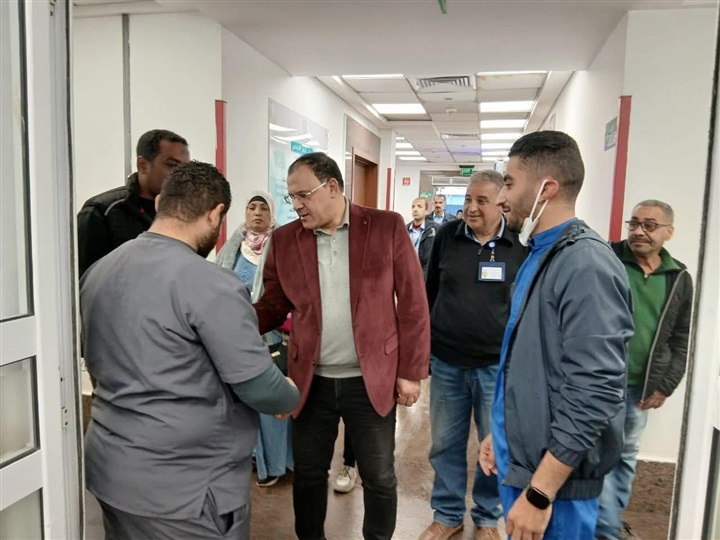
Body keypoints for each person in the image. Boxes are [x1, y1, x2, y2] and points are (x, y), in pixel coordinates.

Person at [81, 161, 299, 540]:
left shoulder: (98, 272)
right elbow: (259, 386)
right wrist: (288, 394)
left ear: (160, 203)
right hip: (185, 490)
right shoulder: (212, 284)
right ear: (216, 214)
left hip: (111, 471)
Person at [254, 152, 430, 540]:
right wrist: (231, 321)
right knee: (309, 475)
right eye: (291, 197)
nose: (296, 205)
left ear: (332, 187)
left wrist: (410, 371)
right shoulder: (284, 240)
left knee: (379, 476)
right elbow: (273, 305)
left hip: (371, 379)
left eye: (303, 195)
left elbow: (413, 302)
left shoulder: (386, 227)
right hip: (310, 381)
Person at [478, 131, 634, 539]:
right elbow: (529, 365)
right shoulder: (542, 252)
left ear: (546, 189)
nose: (501, 197)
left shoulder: (586, 265)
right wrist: (503, 432)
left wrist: (540, 492)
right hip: (526, 465)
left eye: (509, 183)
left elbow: (596, 390)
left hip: (555, 488)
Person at [420, 170, 527, 540]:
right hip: (446, 361)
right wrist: (425, 349)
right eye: (468, 199)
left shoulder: (519, 243)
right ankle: (447, 514)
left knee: (493, 447)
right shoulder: (446, 236)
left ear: (501, 204)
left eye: (482, 201)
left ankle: (486, 518)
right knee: (444, 445)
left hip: (495, 366)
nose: (471, 208)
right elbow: (429, 292)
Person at [596, 200, 693, 540]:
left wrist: (666, 385)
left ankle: (608, 524)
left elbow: (682, 336)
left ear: (669, 232)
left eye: (649, 225)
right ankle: (605, 529)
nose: (639, 231)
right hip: (600, 380)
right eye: (634, 223)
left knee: (625, 455)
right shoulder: (607, 258)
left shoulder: (679, 277)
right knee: (597, 453)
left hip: (641, 386)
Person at [216, 191, 294, 488]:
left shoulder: (283, 246)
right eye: (252, 207)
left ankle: (275, 463)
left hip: (271, 337)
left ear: (272, 214)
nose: (257, 213)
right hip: (236, 337)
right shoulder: (233, 248)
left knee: (270, 400)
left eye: (263, 208)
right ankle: (252, 457)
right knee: (243, 399)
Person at [77, 129, 190, 277]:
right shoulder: (103, 212)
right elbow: (86, 279)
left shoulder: (186, 213)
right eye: (172, 165)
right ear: (143, 165)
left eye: (186, 168)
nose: (182, 175)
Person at [407, 197, 439, 279]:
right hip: (408, 272)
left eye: (419, 206)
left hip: (425, 274)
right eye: (413, 207)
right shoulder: (405, 229)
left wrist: (422, 279)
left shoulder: (434, 229)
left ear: (426, 211)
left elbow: (430, 260)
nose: (415, 209)